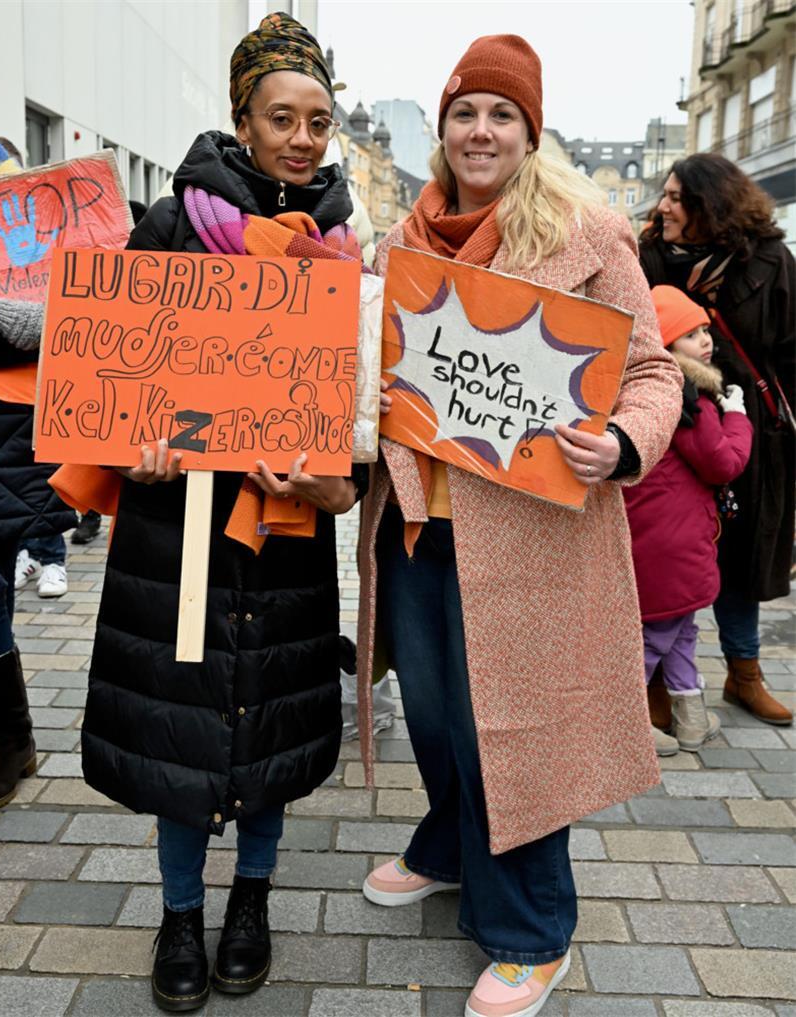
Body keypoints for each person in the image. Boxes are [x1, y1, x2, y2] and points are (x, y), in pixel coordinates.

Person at [355, 35, 682, 1017]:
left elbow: (653, 374)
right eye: (465, 113)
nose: (480, 130)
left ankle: (533, 928)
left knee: (521, 734)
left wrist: (623, 442)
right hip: (421, 530)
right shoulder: (400, 244)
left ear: (529, 134)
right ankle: (451, 848)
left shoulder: (585, 237)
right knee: (440, 720)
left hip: (535, 539)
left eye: (502, 115)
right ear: (442, 129)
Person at [49, 14, 367, 1014]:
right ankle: (182, 912)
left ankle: (253, 904)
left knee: (266, 725)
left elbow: (357, 420)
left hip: (284, 535)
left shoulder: (345, 252)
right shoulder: (171, 227)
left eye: (319, 120)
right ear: (242, 120)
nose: (304, 139)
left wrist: (332, 485)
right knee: (185, 732)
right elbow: (111, 379)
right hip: (176, 533)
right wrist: (135, 451)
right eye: (283, 118)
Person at [640, 153, 794, 727]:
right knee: (670, 549)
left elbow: (791, 352)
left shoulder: (772, 261)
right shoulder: (649, 256)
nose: (664, 206)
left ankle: (743, 671)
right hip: (666, 417)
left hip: (746, 423)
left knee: (742, 547)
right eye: (666, 194)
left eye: (678, 198)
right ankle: (657, 683)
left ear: (712, 205)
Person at [0, 118, 76, 809]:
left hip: (3, 448)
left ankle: (10, 739)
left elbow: (53, 318)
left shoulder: (14, 217)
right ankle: (3, 739)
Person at [624, 286, 753, 757]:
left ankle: (691, 717)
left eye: (705, 330)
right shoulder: (685, 398)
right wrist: (738, 417)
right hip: (673, 543)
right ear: (665, 344)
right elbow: (722, 462)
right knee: (656, 634)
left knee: (679, 627)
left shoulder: (653, 391)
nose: (706, 341)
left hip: (663, 535)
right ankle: (627, 727)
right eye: (691, 333)